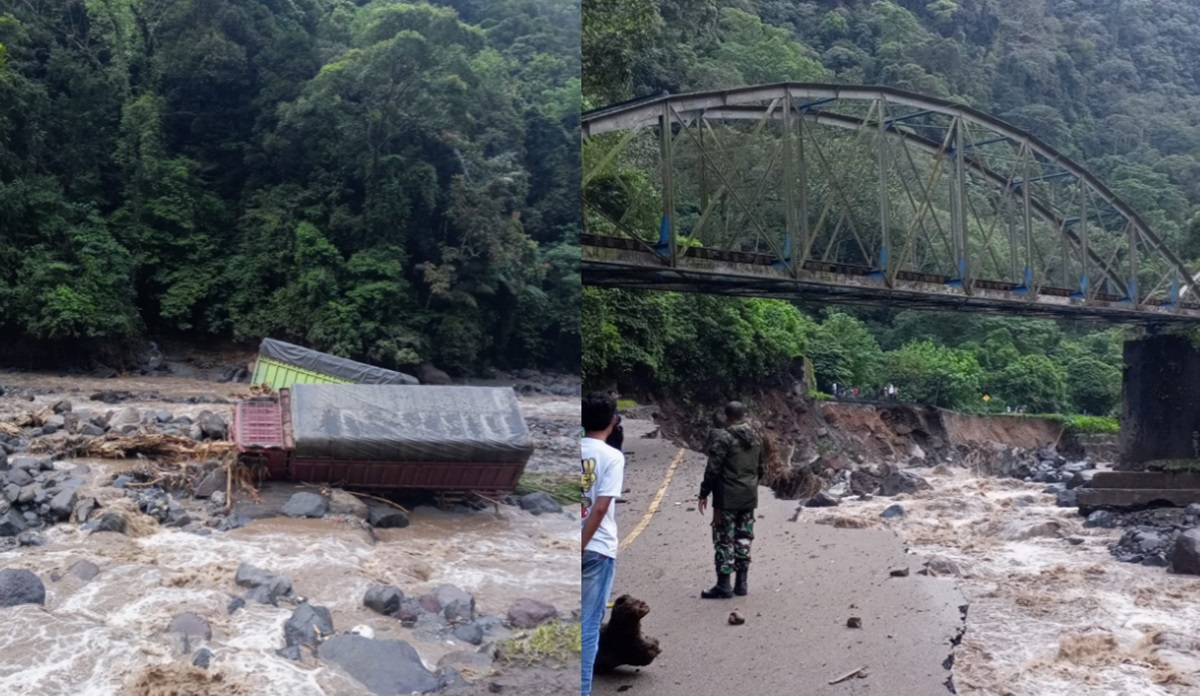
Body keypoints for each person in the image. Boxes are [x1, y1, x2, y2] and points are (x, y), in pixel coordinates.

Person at [581, 391, 625, 696]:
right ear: (612, 421)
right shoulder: (612, 456)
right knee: (587, 627)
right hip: (596, 548)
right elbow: (600, 507)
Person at [697, 401, 763, 599]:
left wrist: (704, 493)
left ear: (726, 416)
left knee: (723, 539)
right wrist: (750, 486)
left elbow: (713, 469)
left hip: (726, 498)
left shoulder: (723, 437)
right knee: (744, 537)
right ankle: (741, 584)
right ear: (745, 415)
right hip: (749, 495)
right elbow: (761, 469)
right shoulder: (757, 438)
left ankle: (724, 585)